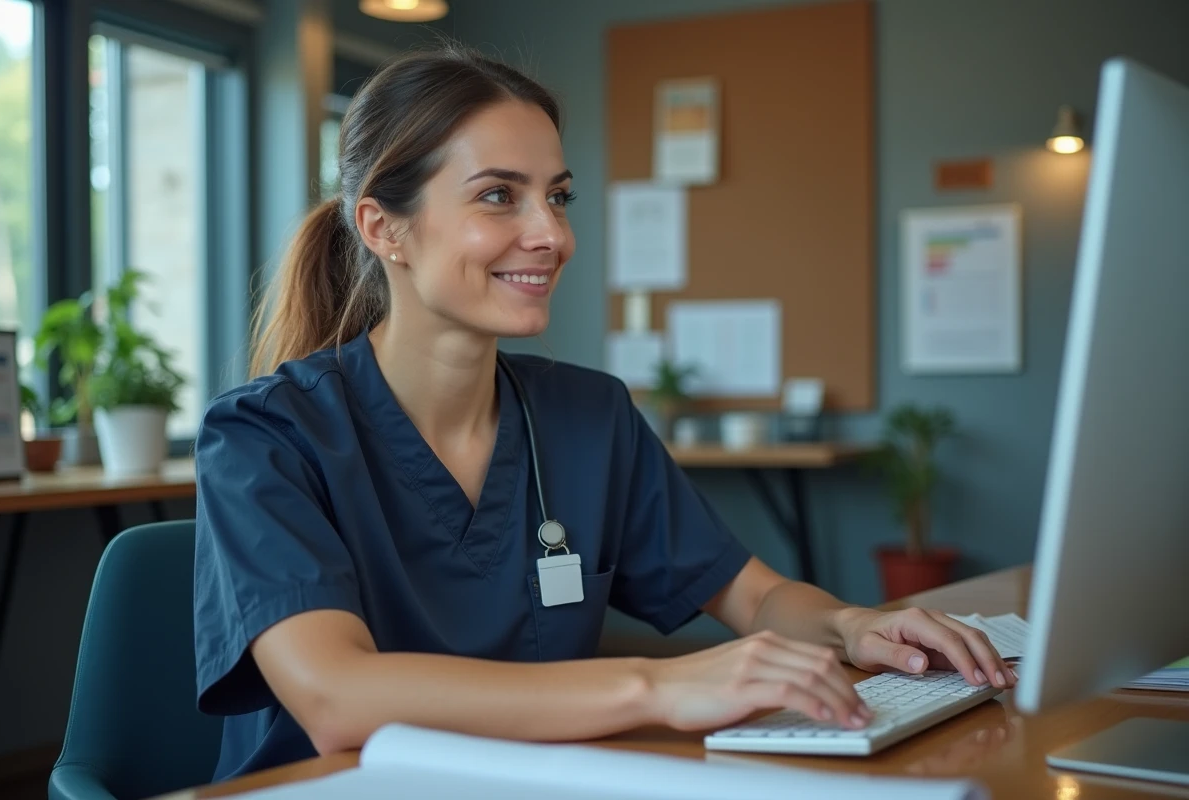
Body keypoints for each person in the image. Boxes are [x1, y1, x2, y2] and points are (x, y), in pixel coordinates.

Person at [193, 42, 1015, 782]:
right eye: (498, 197)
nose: (550, 233)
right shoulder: (265, 437)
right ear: (384, 228)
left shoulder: (586, 415)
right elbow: (340, 699)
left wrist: (852, 625)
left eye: (558, 196)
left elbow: (755, 599)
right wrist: (661, 684)